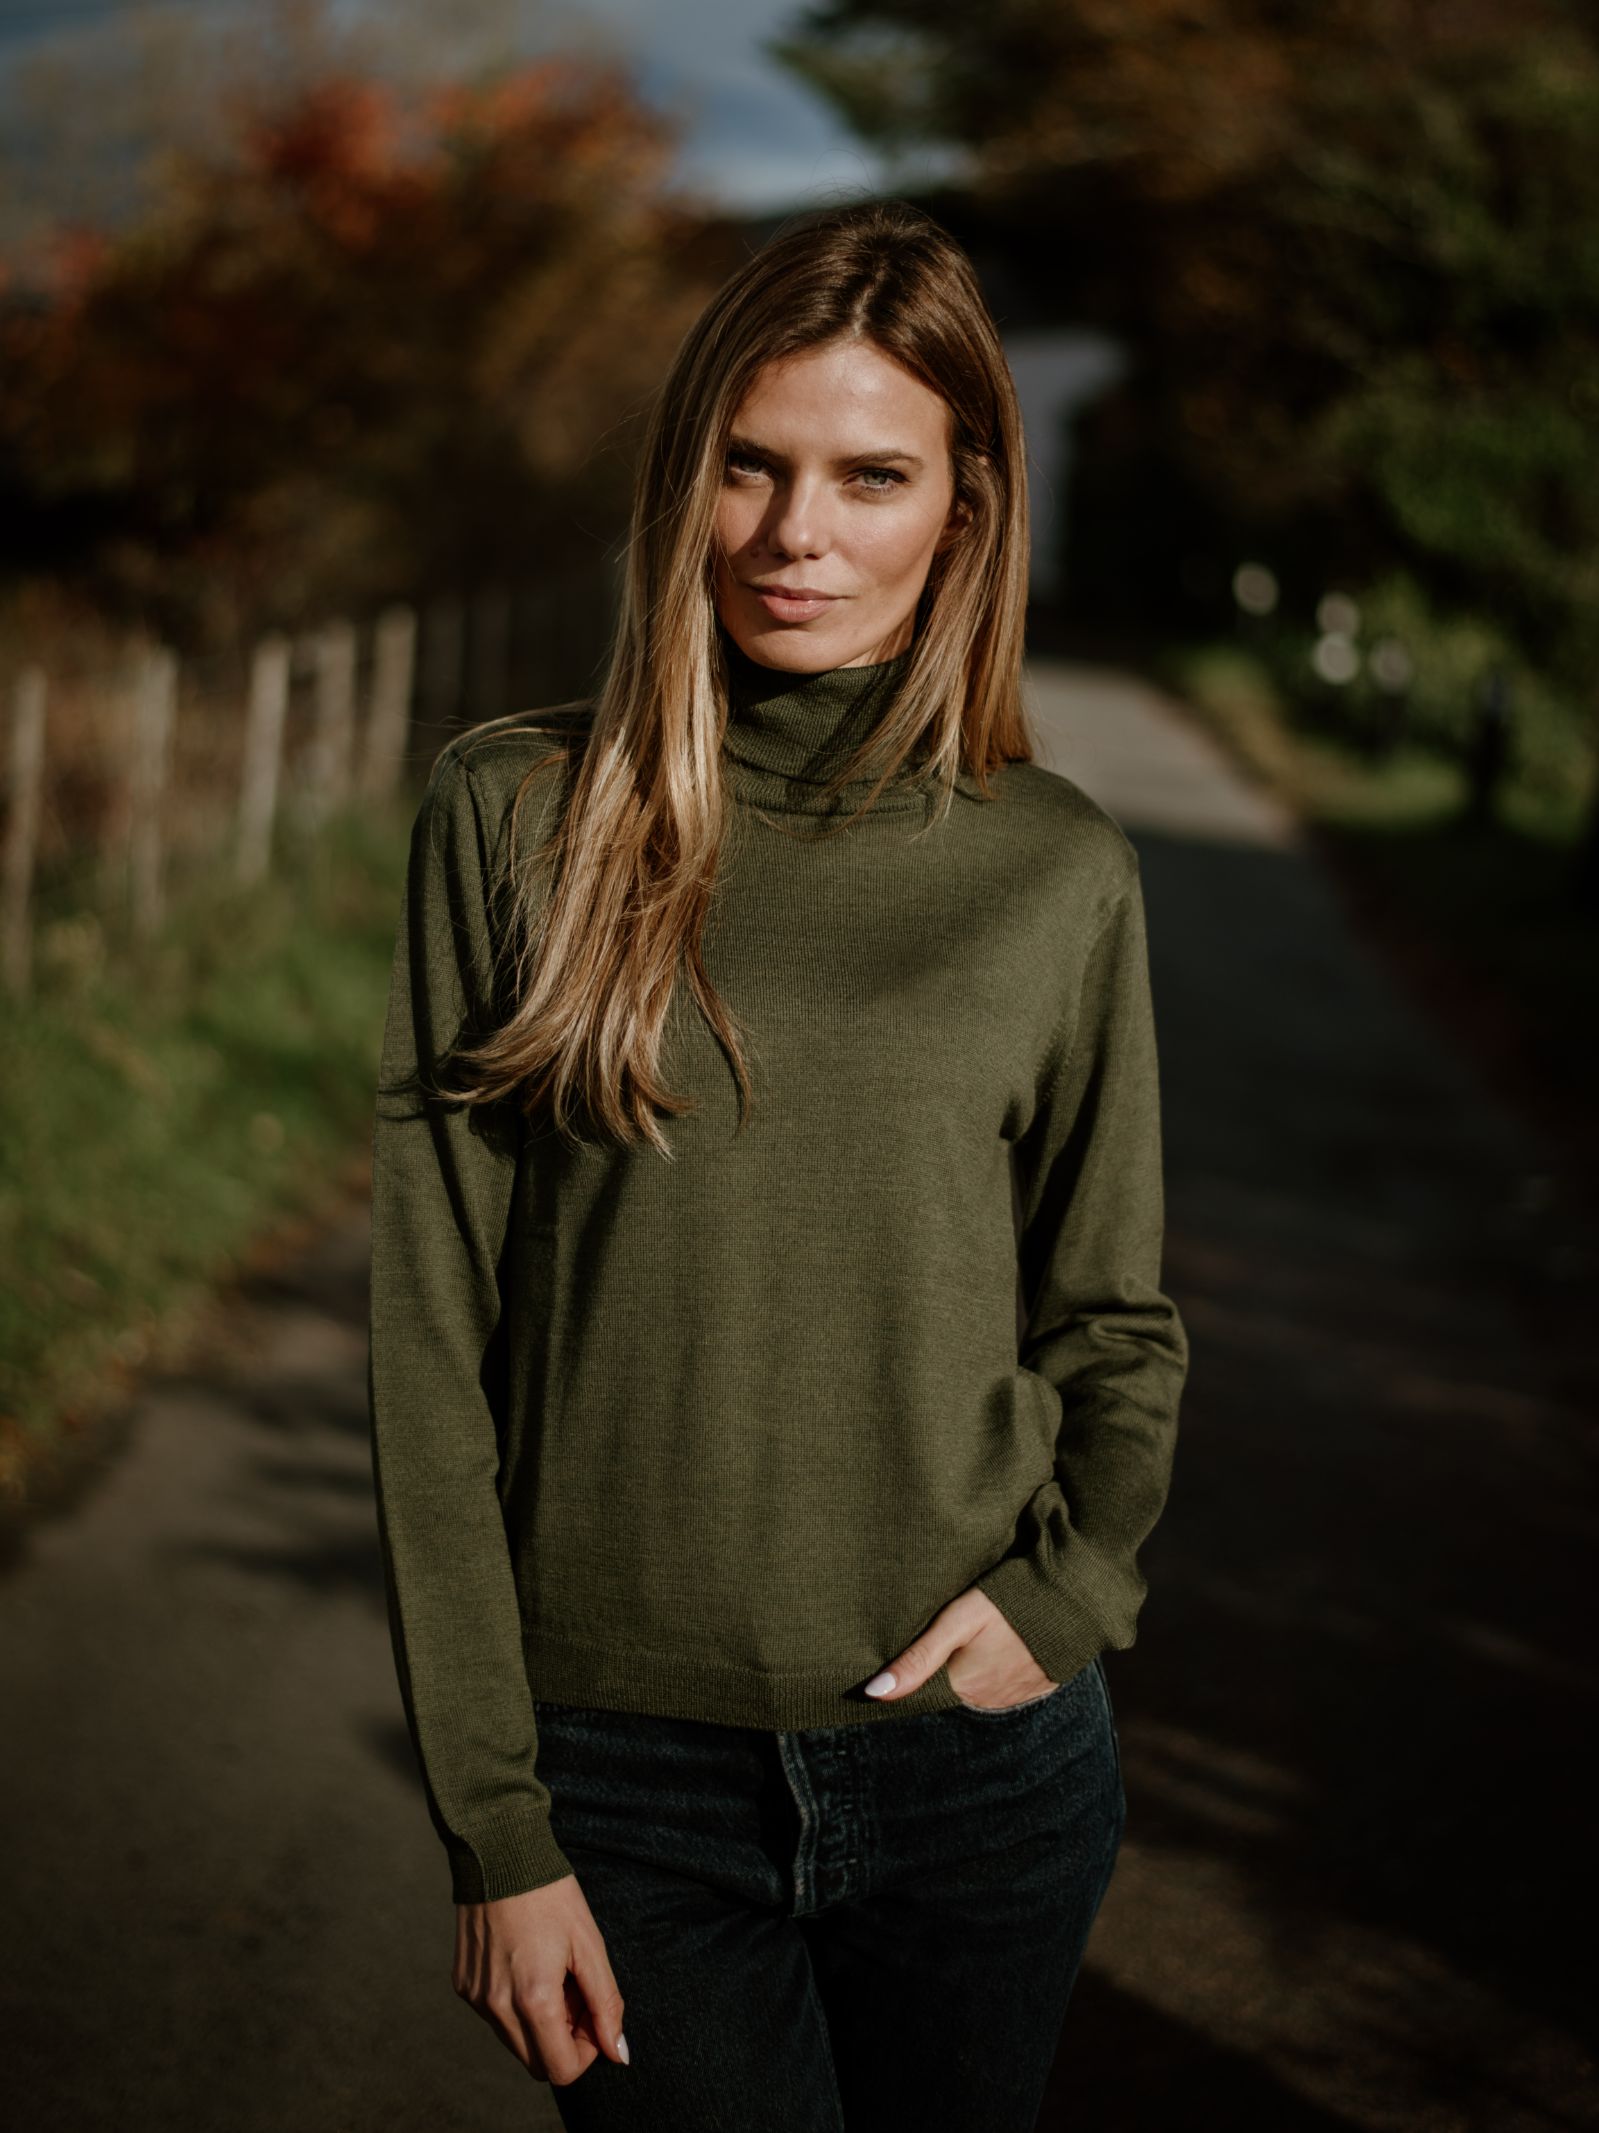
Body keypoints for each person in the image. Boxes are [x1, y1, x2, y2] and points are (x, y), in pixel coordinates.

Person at [367, 197, 1189, 2133]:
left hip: (975, 1771)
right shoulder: (512, 815)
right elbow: (429, 1348)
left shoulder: (1052, 866)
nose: (793, 531)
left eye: (867, 475)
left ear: (962, 507)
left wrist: (1062, 1599)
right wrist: (494, 1818)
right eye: (748, 463)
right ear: (685, 477)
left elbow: (1110, 1311)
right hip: (617, 1789)